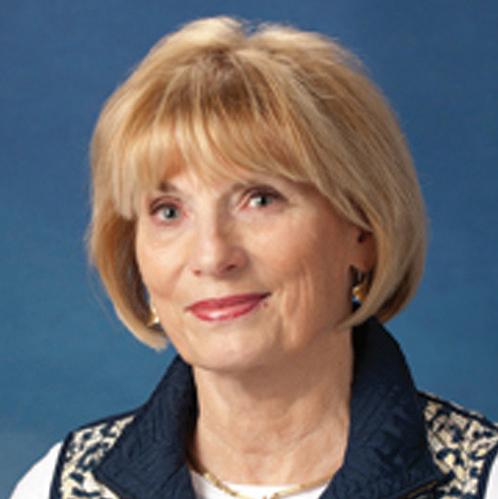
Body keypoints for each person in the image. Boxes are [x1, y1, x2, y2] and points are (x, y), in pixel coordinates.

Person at [12, 16, 498, 499]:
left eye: (260, 200)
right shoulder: (57, 486)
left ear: (363, 232)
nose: (212, 255)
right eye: (168, 211)